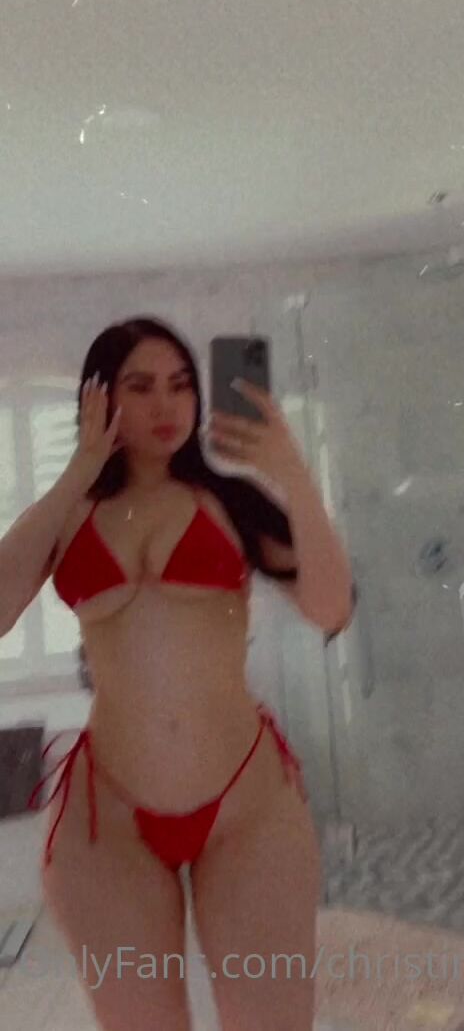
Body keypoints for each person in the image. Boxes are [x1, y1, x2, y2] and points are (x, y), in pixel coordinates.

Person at [0, 317, 354, 1031]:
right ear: (99, 398)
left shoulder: (233, 502)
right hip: (108, 823)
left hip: (247, 808)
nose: (166, 405)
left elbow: (331, 608)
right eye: (140, 387)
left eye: (181, 384)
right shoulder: (72, 513)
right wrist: (76, 472)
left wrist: (291, 473)